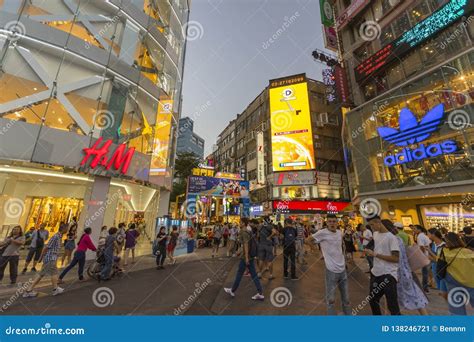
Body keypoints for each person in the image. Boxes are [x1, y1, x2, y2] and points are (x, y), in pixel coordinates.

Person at [382, 219, 428, 315]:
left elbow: (394, 258)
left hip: (395, 274)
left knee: (390, 297)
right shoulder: (399, 239)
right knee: (415, 297)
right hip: (405, 272)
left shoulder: (390, 240)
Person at [310, 214, 351, 315]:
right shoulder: (322, 233)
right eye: (330, 221)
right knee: (331, 299)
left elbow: (340, 247)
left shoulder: (339, 233)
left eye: (334, 221)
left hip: (343, 270)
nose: (332, 223)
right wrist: (318, 251)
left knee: (346, 299)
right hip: (331, 271)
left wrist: (345, 258)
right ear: (326, 222)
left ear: (337, 223)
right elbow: (308, 240)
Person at [365, 215, 401, 315]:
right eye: (370, 225)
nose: (371, 227)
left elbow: (396, 258)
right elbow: (373, 246)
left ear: (379, 222)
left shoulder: (392, 238)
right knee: (372, 300)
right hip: (376, 273)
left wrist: (375, 254)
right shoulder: (375, 234)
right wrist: (369, 250)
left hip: (388, 275)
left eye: (372, 225)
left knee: (392, 306)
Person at [23, 223, 69, 297]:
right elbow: (46, 247)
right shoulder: (56, 237)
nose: (68, 230)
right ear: (63, 229)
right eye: (67, 228)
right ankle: (29, 290)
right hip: (50, 258)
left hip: (52, 258)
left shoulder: (59, 236)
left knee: (52, 273)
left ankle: (55, 289)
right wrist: (40, 258)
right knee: (42, 274)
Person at [224, 218, 264, 300]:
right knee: (253, 275)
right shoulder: (248, 231)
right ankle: (260, 293)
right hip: (250, 256)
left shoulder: (244, 231)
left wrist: (246, 257)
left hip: (246, 257)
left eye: (240, 222)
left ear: (244, 223)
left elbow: (246, 245)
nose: (239, 223)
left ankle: (232, 290)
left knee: (239, 273)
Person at [441, 232, 474, 315]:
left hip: (452, 281)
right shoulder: (469, 252)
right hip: (470, 281)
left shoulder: (443, 252)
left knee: (456, 307)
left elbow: (439, 266)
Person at [414, 225, 431, 293]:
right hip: (427, 255)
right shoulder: (424, 235)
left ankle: (425, 288)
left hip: (424, 256)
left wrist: (421, 256)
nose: (413, 230)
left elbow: (421, 247)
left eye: (415, 229)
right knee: (426, 272)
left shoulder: (420, 236)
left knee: (425, 273)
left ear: (419, 229)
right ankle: (425, 287)